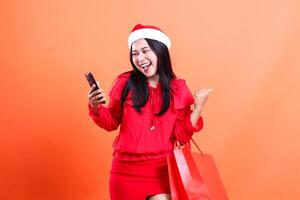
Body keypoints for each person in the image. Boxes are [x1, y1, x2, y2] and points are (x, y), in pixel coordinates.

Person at [87, 24, 213, 200]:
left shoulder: (177, 89)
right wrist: (95, 106)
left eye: (145, 51)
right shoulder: (124, 83)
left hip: (162, 170)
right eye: (135, 53)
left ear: (160, 51)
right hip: (125, 172)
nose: (140, 58)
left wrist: (198, 108)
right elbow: (110, 123)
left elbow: (181, 137)